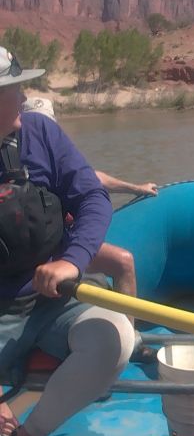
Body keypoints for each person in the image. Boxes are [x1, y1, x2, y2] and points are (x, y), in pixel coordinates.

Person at [0, 47, 134, 436]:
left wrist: (74, 261)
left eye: (16, 89)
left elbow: (93, 197)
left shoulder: (42, 133)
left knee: (115, 336)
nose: (19, 100)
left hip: (52, 300)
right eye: (6, 94)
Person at [21, 96, 158, 301]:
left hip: (66, 239)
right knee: (122, 261)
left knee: (123, 261)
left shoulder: (56, 151)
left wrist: (137, 188)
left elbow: (95, 180)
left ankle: (129, 328)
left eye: (47, 123)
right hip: (34, 249)